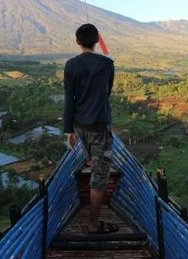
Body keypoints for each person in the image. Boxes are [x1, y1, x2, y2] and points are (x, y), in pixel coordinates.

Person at [63, 23, 118, 234]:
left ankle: (90, 160)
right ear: (97, 40)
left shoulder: (71, 65)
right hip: (100, 125)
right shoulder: (107, 64)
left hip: (80, 125)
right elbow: (107, 92)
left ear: (78, 42)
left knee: (91, 162)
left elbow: (69, 99)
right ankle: (94, 224)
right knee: (100, 176)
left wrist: (69, 130)